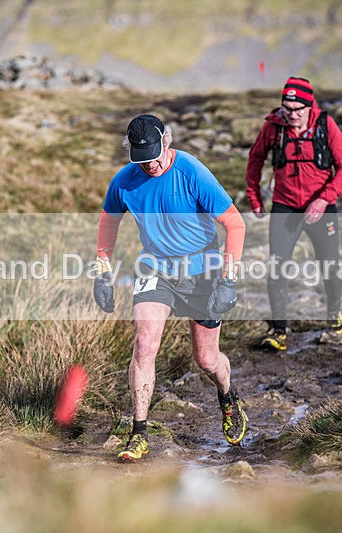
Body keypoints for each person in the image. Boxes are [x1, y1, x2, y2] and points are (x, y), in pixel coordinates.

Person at [93, 114, 248, 462]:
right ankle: (139, 432)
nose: (151, 164)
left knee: (207, 360)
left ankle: (227, 394)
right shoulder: (125, 181)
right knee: (145, 344)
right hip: (155, 266)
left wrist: (228, 279)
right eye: (142, 158)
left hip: (201, 269)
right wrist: (102, 271)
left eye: (156, 154)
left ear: (167, 141)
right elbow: (108, 221)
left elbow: (234, 224)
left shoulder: (192, 172)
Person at [245, 77, 342, 351]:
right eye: (287, 108)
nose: (292, 115)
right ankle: (278, 330)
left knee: (329, 265)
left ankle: (334, 320)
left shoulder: (325, 125)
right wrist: (254, 197)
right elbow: (256, 158)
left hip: (320, 206)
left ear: (309, 105)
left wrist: (324, 200)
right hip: (284, 206)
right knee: (276, 267)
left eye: (298, 109)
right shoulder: (274, 126)